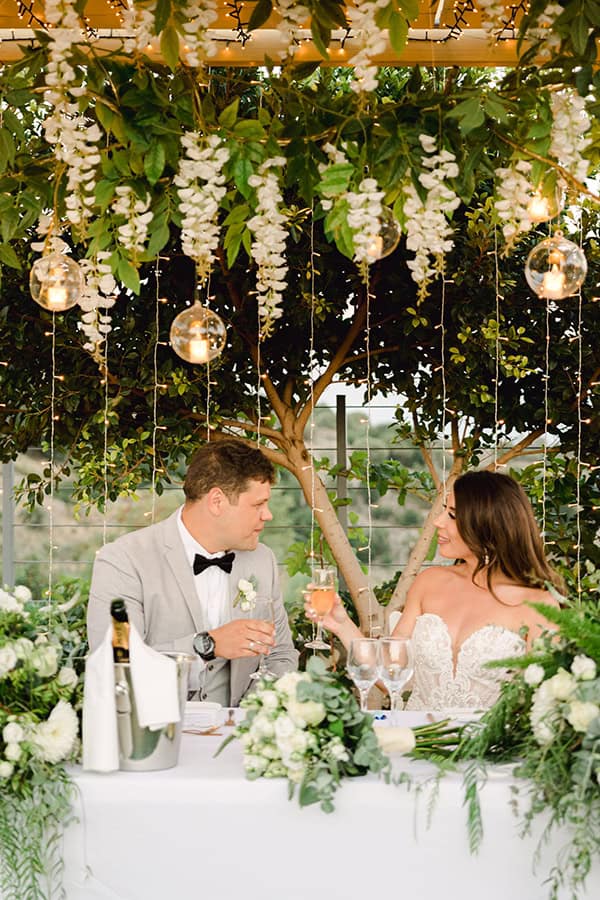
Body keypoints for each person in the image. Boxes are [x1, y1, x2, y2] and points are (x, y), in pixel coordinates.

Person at [306, 470, 565, 711]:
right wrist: (341, 624)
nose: (439, 522)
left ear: (486, 524)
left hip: (492, 753)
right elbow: (389, 677)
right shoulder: (429, 582)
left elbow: (545, 705)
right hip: (414, 743)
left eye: (452, 515)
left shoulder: (539, 605)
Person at [88, 439, 298, 706]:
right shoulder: (123, 561)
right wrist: (207, 645)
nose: (267, 515)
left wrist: (250, 718)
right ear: (217, 501)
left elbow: (281, 656)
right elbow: (117, 667)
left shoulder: (262, 560)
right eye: (258, 505)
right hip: (156, 734)